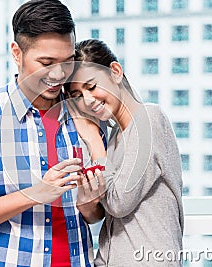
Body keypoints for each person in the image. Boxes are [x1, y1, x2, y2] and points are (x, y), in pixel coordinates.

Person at [0, 2, 104, 266]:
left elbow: (94, 216)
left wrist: (89, 205)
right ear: (17, 53)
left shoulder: (83, 117)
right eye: (46, 62)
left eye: (68, 61)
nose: (59, 74)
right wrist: (36, 193)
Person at [64, 39, 184, 266]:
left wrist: (92, 142)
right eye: (77, 95)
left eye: (91, 86)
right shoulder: (115, 136)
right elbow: (99, 210)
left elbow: (119, 202)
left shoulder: (149, 119)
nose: (87, 101)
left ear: (115, 72)